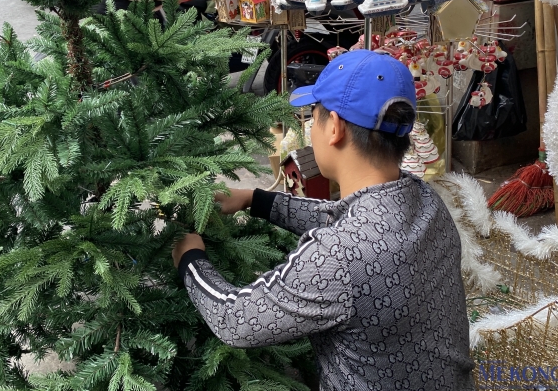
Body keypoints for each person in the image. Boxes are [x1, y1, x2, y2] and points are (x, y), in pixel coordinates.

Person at [173, 50, 475, 391]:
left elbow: (236, 321)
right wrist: (255, 199)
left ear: (334, 127)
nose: (309, 129)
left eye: (312, 117)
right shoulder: (427, 201)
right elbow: (345, 218)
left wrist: (190, 259)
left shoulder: (338, 256)